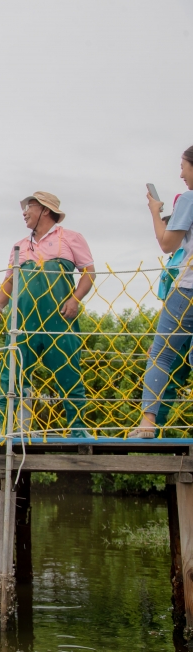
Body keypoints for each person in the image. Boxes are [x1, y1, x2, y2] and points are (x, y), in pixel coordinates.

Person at [0, 192, 95, 438]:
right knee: (12, 374)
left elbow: (90, 273)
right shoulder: (20, 246)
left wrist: (75, 299)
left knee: (68, 370)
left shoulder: (71, 238)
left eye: (29, 207)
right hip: (23, 320)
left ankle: (78, 429)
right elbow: (9, 280)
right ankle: (11, 429)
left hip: (59, 318)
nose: (24, 212)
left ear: (45, 210)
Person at [129, 146, 193, 438]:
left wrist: (155, 212)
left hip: (188, 289)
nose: (180, 173)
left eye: (183, 166)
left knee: (161, 355)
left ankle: (147, 424)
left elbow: (168, 244)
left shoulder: (189, 199)